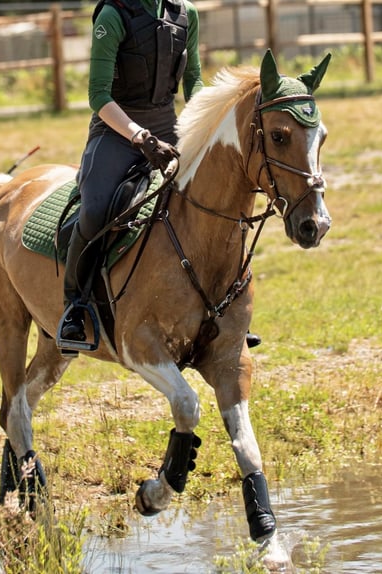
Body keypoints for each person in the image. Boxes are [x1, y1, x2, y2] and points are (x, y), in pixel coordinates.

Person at [58, 0, 261, 351]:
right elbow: (98, 96)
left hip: (170, 127)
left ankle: (223, 308)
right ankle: (76, 305)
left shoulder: (186, 13)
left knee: (219, 201)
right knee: (95, 210)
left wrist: (204, 123)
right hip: (116, 133)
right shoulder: (112, 15)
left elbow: (193, 78)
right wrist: (140, 136)